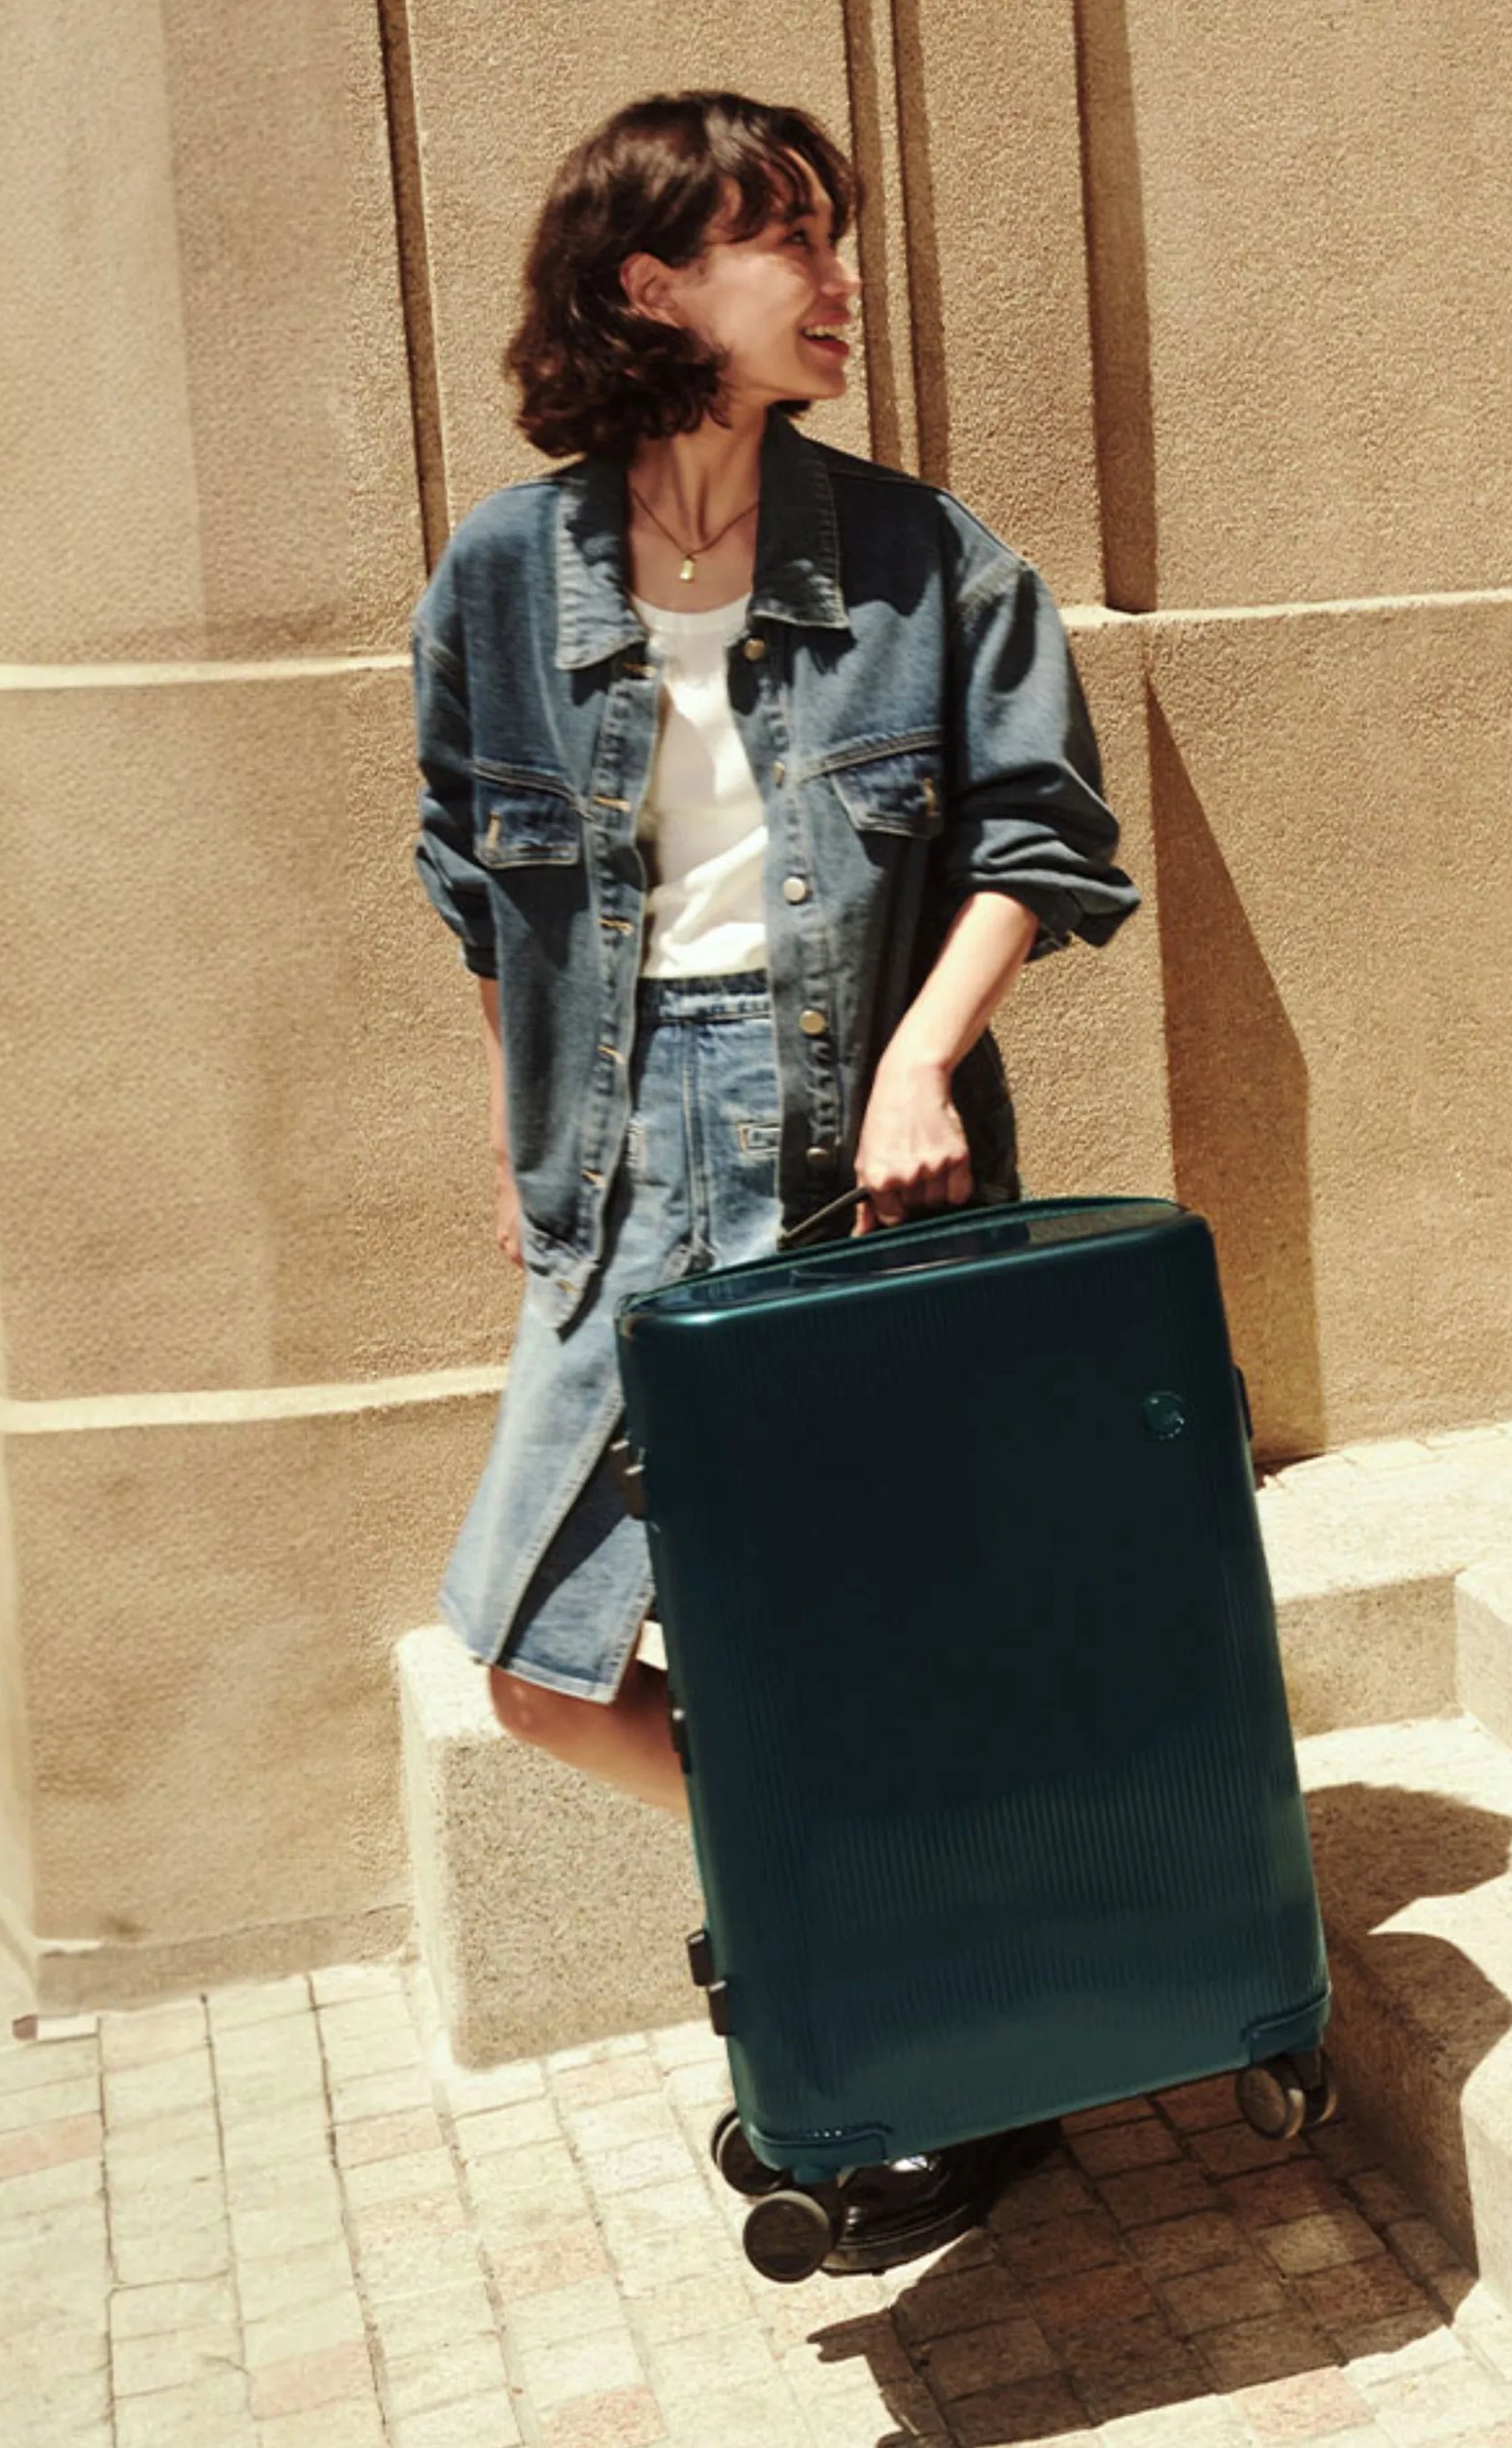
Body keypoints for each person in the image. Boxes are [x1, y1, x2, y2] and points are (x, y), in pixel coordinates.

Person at [410, 88, 1140, 2264]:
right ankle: (848, 1900)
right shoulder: (503, 572)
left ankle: (952, 2042)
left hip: (864, 1162)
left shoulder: (925, 556)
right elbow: (476, 883)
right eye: (789, 241)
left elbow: (1043, 845)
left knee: (875, 1634)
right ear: (653, 284)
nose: (841, 278)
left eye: (837, 235)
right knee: (537, 1658)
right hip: (624, 1148)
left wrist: (922, 1056)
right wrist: (539, 1153)